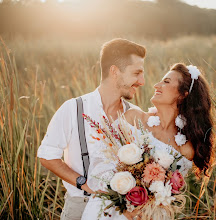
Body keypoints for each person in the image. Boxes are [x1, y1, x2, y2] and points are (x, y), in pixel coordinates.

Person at [82, 63, 214, 220]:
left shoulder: (184, 148)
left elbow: (169, 194)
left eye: (166, 82)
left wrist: (146, 208)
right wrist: (121, 197)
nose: (156, 85)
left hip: (147, 215)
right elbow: (100, 159)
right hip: (108, 207)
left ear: (183, 94)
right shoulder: (133, 119)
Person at [37, 38, 146, 220]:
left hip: (124, 211)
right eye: (137, 73)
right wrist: (84, 184)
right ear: (114, 71)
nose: (142, 81)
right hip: (80, 207)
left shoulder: (137, 115)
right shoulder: (73, 108)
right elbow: (47, 156)